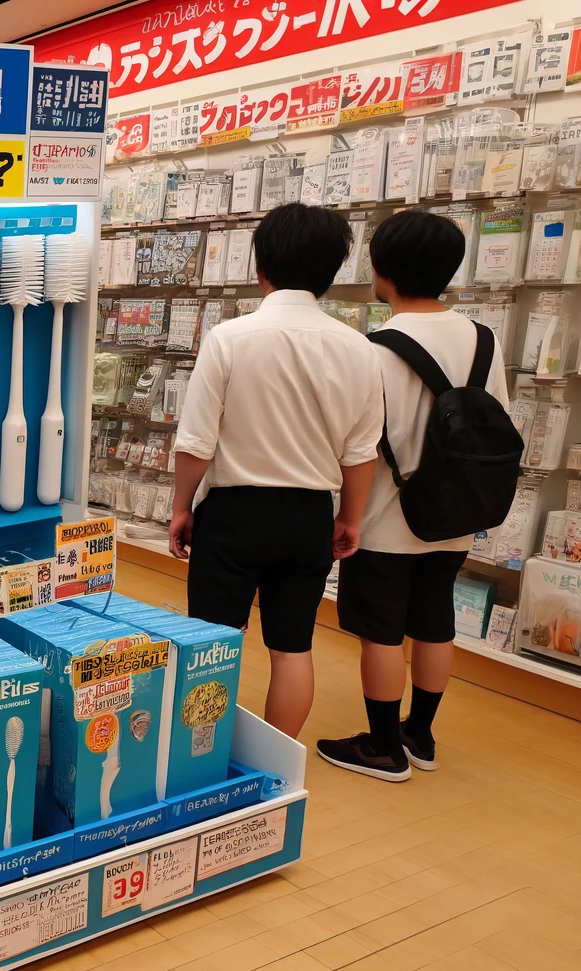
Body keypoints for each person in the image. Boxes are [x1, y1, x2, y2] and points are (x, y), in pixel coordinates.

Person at [169, 202, 384, 738]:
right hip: (310, 513)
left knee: (212, 643)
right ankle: (280, 761)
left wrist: (180, 507)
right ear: (331, 275)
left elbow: (196, 441)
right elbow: (361, 453)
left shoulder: (230, 338)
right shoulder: (359, 349)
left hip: (236, 511)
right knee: (293, 646)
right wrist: (350, 520)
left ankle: (205, 753)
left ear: (260, 266)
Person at [318, 210, 509, 782]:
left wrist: (344, 515)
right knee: (435, 621)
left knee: (381, 631)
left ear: (383, 271)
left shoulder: (375, 348)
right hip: (454, 512)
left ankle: (381, 746)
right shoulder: (484, 340)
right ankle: (419, 734)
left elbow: (363, 447)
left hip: (385, 516)